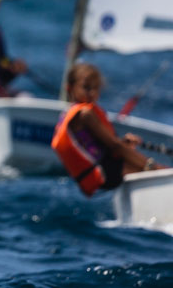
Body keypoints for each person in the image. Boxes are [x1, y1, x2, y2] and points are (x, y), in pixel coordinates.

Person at [52, 63, 164, 196]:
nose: (92, 93)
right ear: (69, 88)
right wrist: (152, 166)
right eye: (86, 87)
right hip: (108, 173)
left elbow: (104, 147)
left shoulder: (68, 114)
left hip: (100, 174)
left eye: (96, 88)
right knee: (163, 171)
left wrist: (124, 143)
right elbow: (116, 147)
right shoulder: (86, 114)